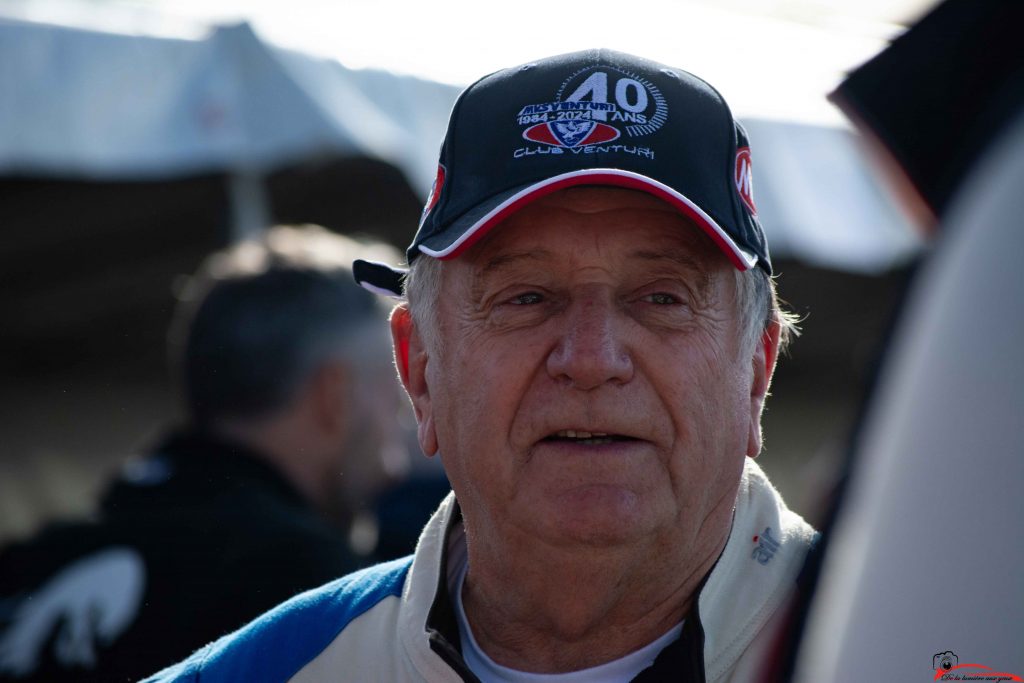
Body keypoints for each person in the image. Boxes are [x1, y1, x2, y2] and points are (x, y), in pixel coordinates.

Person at [144, 49, 817, 683]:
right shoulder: (273, 669)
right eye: (526, 296)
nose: (590, 360)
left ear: (757, 371)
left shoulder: (902, 639)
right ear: (420, 370)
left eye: (662, 298)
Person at [0, 225, 409, 682]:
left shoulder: (30, 565)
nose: (401, 429)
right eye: (394, 395)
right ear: (334, 396)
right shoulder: (296, 581)